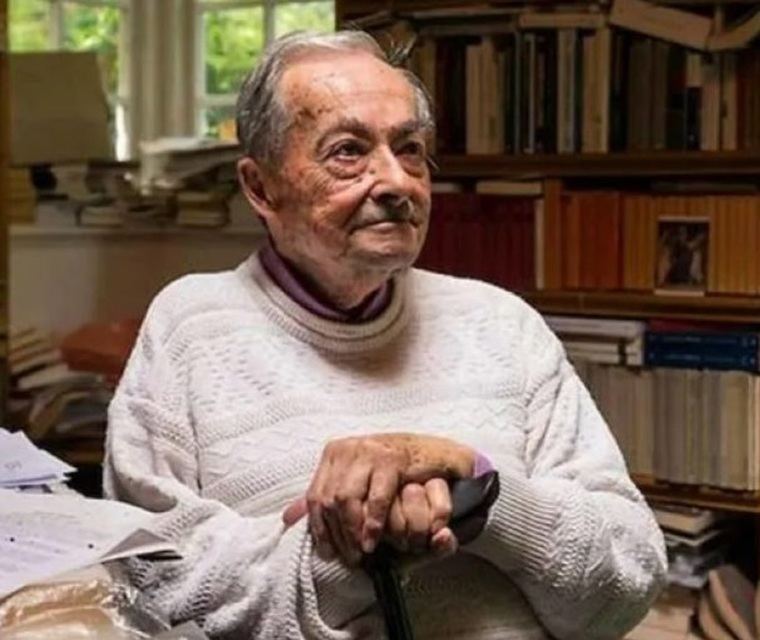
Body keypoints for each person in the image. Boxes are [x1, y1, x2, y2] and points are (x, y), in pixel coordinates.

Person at [104, 30, 666, 639]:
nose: (397, 182)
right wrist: (362, 544)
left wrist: (482, 498)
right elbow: (151, 587)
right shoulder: (191, 328)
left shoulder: (502, 323)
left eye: (410, 149)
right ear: (261, 187)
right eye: (348, 151)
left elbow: (631, 578)